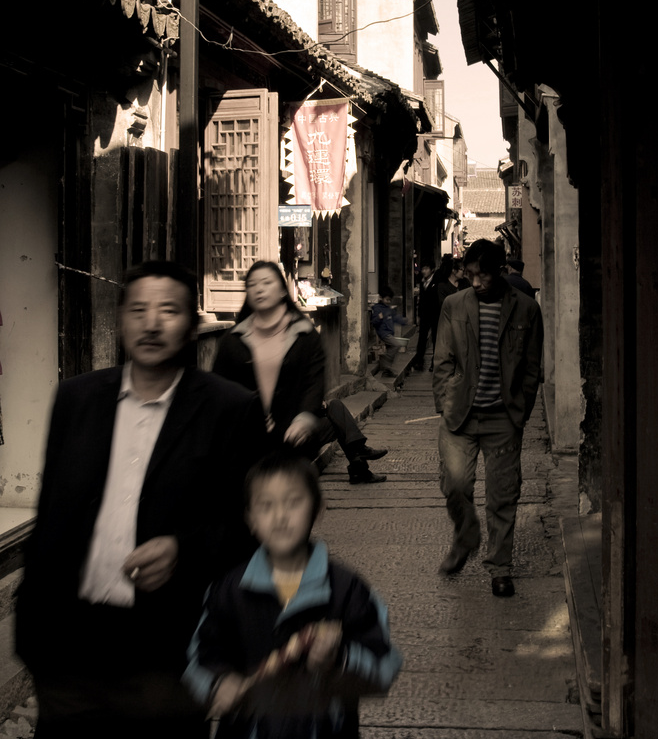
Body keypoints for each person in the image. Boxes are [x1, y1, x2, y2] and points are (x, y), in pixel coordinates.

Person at [15, 260, 261, 739]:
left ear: (192, 327)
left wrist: (183, 551)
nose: (151, 323)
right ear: (122, 318)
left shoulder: (230, 409)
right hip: (71, 646)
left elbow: (249, 525)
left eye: (168, 311)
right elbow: (51, 516)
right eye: (139, 310)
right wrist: (33, 634)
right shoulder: (76, 398)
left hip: (167, 651)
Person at [184, 451, 402, 738]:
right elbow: (201, 654)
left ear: (318, 508)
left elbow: (384, 667)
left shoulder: (347, 589)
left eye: (293, 502)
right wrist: (219, 682)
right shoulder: (230, 590)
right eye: (266, 506)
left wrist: (341, 658)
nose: (280, 516)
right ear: (250, 518)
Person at [432, 238, 544, 596]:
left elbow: (531, 368)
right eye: (471, 275)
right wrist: (446, 401)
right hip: (459, 418)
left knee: (503, 495)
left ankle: (500, 566)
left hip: (502, 418)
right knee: (455, 485)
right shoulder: (454, 305)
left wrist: (520, 412)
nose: (476, 283)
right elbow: (443, 360)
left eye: (483, 276)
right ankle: (466, 537)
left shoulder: (526, 309)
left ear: (500, 272)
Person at [212, 261, 388, 485]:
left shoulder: (304, 336)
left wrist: (306, 414)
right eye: (253, 284)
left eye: (267, 283)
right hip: (249, 443)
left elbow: (313, 381)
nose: (260, 289)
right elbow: (220, 392)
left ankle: (358, 456)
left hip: (293, 438)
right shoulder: (233, 342)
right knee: (335, 409)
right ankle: (358, 456)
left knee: (333, 408)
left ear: (281, 290)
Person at [370, 286, 408, 378]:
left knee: (392, 348)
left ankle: (387, 370)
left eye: (390, 300)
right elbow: (373, 322)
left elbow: (395, 317)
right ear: (381, 298)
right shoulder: (377, 308)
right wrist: (379, 318)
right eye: (387, 299)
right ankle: (384, 361)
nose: (388, 302)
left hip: (389, 332)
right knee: (396, 345)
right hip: (384, 333)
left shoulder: (389, 309)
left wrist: (403, 321)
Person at [412, 261, 438, 371]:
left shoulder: (436, 282)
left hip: (435, 315)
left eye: (426, 269)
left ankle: (435, 363)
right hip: (424, 315)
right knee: (422, 338)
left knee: (436, 339)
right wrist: (419, 315)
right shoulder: (422, 282)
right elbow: (421, 300)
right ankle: (419, 361)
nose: (424, 271)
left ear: (432, 270)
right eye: (423, 269)